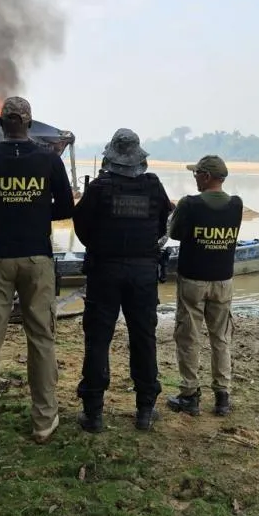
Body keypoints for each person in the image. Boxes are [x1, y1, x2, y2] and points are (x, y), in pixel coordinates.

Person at [0, 96, 75, 450]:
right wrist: (34, 214)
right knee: (41, 337)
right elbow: (67, 207)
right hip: (38, 258)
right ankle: (43, 421)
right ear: (28, 122)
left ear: (0, 124)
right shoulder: (47, 160)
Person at [72, 128, 172, 432]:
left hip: (105, 271)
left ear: (110, 156)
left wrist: (103, 247)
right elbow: (161, 225)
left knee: (98, 339)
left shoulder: (99, 188)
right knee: (144, 338)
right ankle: (144, 410)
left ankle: (94, 413)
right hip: (143, 273)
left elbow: (82, 227)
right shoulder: (153, 186)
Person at [166, 155, 243, 417]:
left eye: (196, 173)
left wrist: (177, 211)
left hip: (193, 280)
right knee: (220, 338)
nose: (195, 178)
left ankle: (189, 394)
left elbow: (174, 233)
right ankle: (222, 396)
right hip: (224, 281)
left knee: (189, 337)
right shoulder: (236, 205)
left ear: (207, 177)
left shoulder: (190, 204)